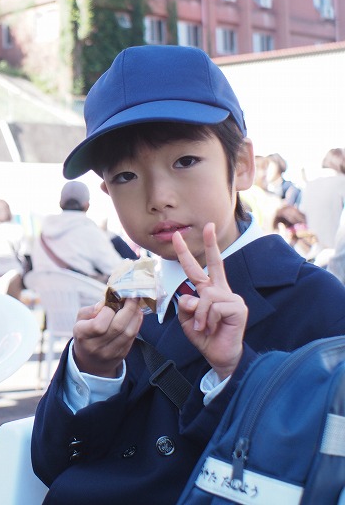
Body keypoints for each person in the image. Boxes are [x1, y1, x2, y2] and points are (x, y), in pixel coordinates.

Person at [31, 45, 345, 504]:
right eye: (125, 176)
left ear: (240, 166)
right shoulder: (127, 296)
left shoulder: (315, 301)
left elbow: (317, 467)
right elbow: (49, 461)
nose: (158, 196)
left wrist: (236, 371)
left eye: (184, 162)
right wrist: (93, 373)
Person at [29, 180, 125, 282]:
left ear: (60, 203)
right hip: (86, 296)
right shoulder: (90, 232)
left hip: (46, 294)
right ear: (87, 205)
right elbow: (118, 269)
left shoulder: (43, 232)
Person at [298, 147, 345, 251]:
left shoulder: (310, 186)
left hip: (314, 252)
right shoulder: (342, 183)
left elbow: (302, 216)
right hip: (338, 253)